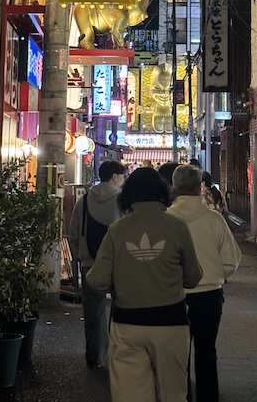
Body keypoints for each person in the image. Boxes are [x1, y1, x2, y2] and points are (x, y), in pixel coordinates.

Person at [86, 167, 202, 402]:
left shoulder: (117, 230)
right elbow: (193, 277)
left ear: (128, 196)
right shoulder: (177, 227)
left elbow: (97, 280)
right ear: (162, 193)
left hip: (128, 323)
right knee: (173, 394)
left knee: (131, 395)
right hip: (171, 323)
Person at [169, 164, 241, 402]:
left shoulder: (166, 220)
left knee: (179, 354)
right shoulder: (214, 219)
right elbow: (232, 258)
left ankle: (182, 395)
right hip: (209, 294)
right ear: (199, 187)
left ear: (174, 187)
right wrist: (217, 275)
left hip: (174, 295)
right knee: (207, 351)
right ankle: (208, 397)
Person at [69, 160, 127, 369]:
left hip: (89, 262)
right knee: (121, 309)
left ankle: (95, 356)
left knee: (93, 312)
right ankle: (119, 355)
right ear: (114, 177)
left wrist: (81, 255)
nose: (123, 180)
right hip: (120, 264)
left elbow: (73, 233)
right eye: (122, 176)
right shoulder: (123, 202)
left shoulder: (83, 201)